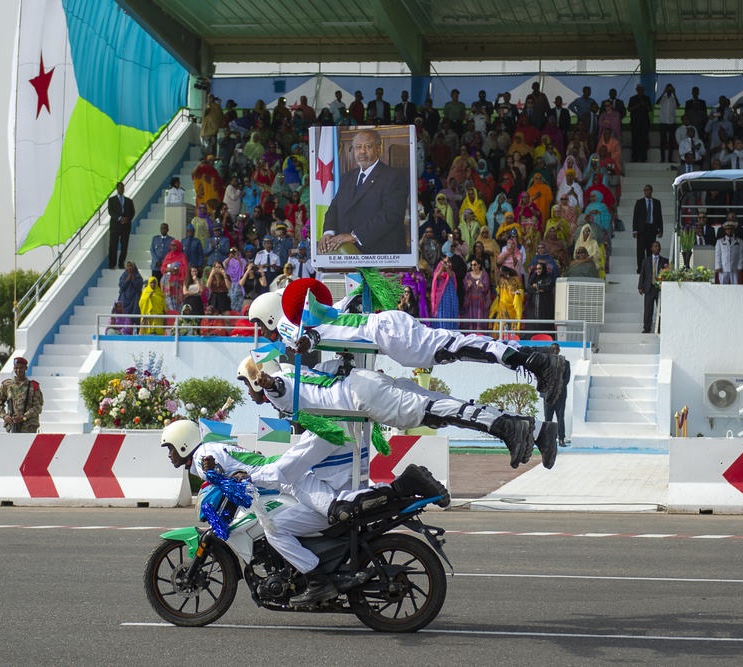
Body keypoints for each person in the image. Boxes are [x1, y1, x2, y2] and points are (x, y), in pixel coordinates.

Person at [160, 418, 447, 606]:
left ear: (183, 443)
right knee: (331, 506)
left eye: (170, 449)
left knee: (281, 526)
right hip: (280, 478)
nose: (169, 455)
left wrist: (230, 478)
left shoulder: (200, 456)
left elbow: (234, 476)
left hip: (281, 478)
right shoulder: (212, 448)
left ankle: (318, 578)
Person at [248, 281, 565, 407]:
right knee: (457, 346)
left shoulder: (297, 324)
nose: (264, 334)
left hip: (387, 333)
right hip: (386, 333)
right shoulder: (300, 316)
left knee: (457, 346)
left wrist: (312, 338)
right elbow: (337, 314)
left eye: (263, 326)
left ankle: (538, 363)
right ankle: (536, 359)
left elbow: (323, 328)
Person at [242, 353, 555, 471]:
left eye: (248, 384)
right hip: (365, 385)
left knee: (440, 411)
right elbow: (341, 365)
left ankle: (508, 429)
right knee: (440, 410)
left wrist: (265, 381)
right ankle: (539, 430)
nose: (249, 391)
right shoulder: (304, 372)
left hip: (362, 399)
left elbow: (277, 386)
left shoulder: (278, 389)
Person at [318, 129, 410, 255]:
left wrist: (354, 236)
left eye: (368, 146)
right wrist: (328, 233)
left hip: (382, 255)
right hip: (347, 255)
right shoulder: (347, 177)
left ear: (379, 148)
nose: (362, 151)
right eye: (358, 147)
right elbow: (334, 207)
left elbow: (390, 214)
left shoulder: (394, 177)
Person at [0, 357, 43, 433]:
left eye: (21, 368)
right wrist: (4, 416)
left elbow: (38, 407)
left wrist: (23, 417)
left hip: (29, 427)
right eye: (16, 368)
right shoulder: (7, 385)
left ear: (26, 368)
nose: (18, 370)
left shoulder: (33, 386)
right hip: (12, 427)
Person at [543, 344, 571, 447]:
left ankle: (561, 438)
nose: (555, 351)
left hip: (560, 395)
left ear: (559, 350)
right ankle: (547, 439)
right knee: (548, 418)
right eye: (552, 349)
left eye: (556, 349)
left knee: (560, 417)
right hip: (547, 394)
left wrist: (557, 388)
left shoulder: (566, 363)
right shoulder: (545, 362)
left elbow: (566, 378)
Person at [638, 241, 668, 334]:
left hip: (659, 287)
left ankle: (660, 327)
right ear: (651, 248)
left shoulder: (664, 261)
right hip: (649, 287)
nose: (657, 248)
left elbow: (667, 273)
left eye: (658, 246)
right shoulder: (646, 261)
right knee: (648, 309)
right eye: (655, 246)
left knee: (661, 308)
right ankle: (647, 327)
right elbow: (642, 274)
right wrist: (640, 286)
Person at [632, 185, 663, 273]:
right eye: (645, 190)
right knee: (640, 250)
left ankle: (650, 269)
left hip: (652, 229)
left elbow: (659, 217)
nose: (646, 192)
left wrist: (660, 230)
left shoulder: (657, 202)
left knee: (651, 250)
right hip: (642, 229)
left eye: (648, 190)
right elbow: (635, 217)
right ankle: (640, 269)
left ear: (651, 191)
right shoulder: (639, 202)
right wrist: (635, 230)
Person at [107, 181, 135, 270]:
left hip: (125, 226)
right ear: (117, 189)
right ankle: (112, 263)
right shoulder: (111, 200)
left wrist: (126, 219)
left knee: (124, 245)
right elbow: (110, 211)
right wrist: (119, 218)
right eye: (120, 188)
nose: (121, 189)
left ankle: (121, 263)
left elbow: (132, 212)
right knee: (113, 245)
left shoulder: (129, 201)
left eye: (123, 188)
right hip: (115, 225)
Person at [160, 239, 188, 312]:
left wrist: (177, 270)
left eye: (174, 245)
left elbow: (185, 268)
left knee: (178, 302)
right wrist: (169, 270)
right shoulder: (168, 256)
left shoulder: (182, 256)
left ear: (178, 246)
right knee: (169, 302)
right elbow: (163, 268)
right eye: (171, 245)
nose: (172, 247)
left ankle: (177, 319)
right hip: (167, 283)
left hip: (178, 283)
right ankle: (170, 318)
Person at [714, 220, 743, 285]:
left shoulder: (739, 241)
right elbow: (717, 255)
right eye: (728, 229)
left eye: (731, 229)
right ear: (725, 230)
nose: (729, 231)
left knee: (735, 285)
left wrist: (740, 266)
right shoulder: (720, 241)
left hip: (734, 267)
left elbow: (741, 255)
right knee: (722, 285)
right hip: (723, 267)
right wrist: (718, 266)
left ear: (734, 230)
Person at [118, 261, 144, 330]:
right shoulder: (123, 276)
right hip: (124, 300)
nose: (129, 267)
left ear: (134, 266)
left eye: (131, 265)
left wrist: (132, 276)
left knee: (135, 317)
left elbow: (139, 287)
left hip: (135, 301)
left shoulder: (137, 275)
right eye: (128, 266)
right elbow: (122, 287)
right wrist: (129, 277)